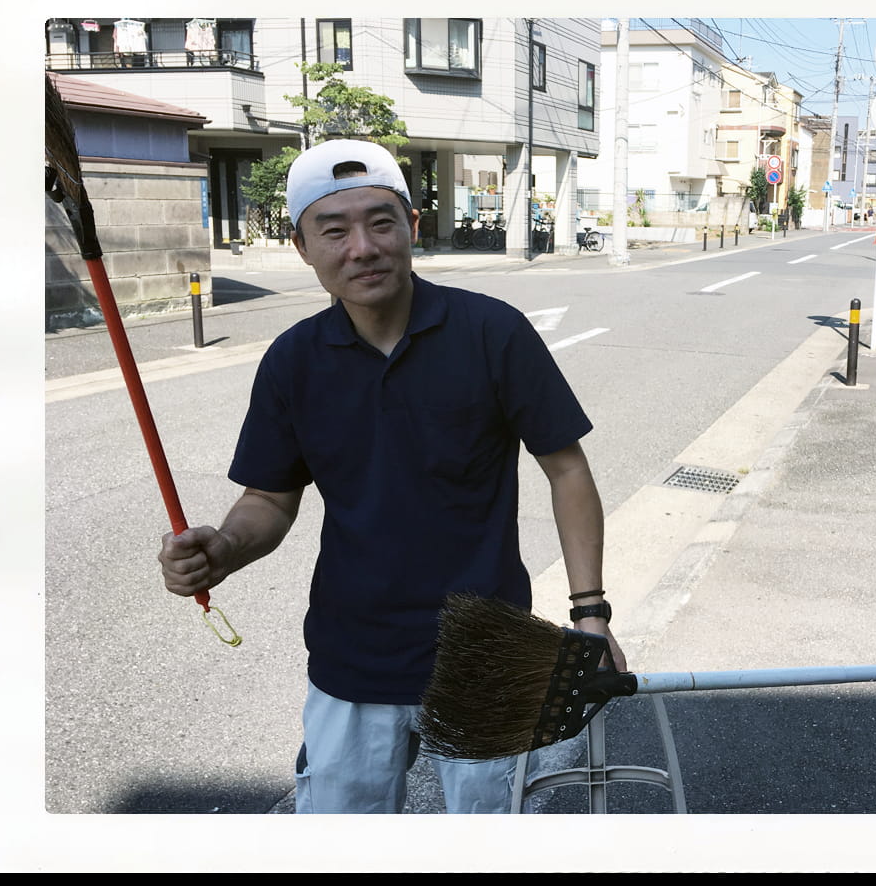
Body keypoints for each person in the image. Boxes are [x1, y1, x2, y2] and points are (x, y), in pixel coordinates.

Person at [158, 139, 625, 813]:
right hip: (353, 657)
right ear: (302, 247)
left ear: (410, 226)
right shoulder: (294, 362)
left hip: (483, 655)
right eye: (334, 229)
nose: (362, 246)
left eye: (381, 222)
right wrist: (222, 549)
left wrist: (591, 612)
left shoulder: (492, 331)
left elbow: (566, 468)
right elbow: (268, 497)